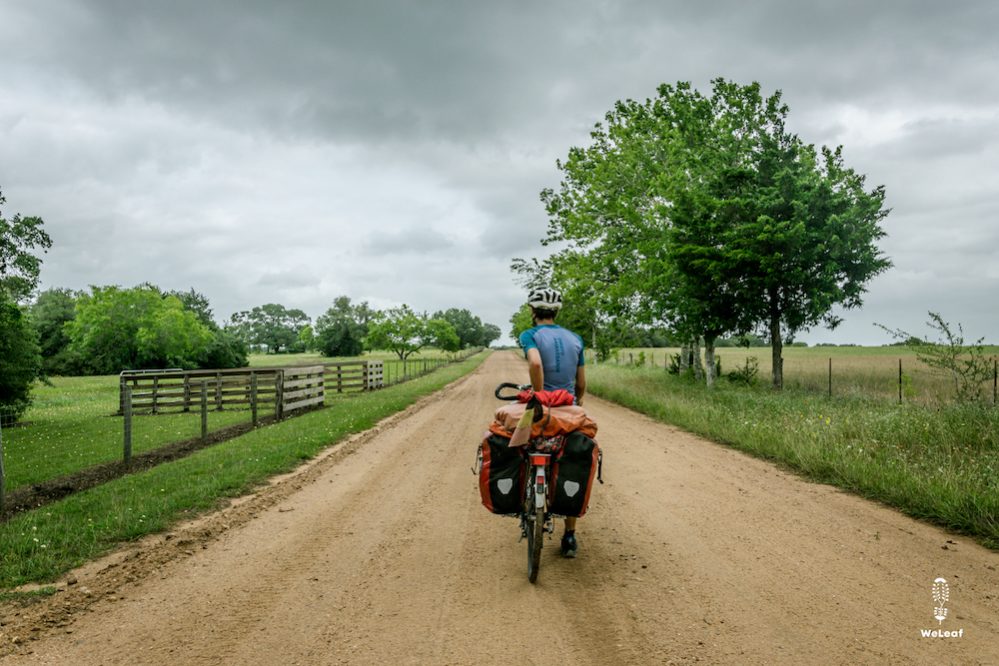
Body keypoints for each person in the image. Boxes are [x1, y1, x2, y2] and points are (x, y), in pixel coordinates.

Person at [517, 287, 586, 558]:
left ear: (532, 311)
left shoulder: (530, 335)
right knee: (572, 461)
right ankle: (569, 536)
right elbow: (581, 383)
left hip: (541, 408)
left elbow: (535, 364)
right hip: (567, 408)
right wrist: (575, 402)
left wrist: (539, 394)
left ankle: (525, 502)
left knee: (521, 447)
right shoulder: (575, 338)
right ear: (556, 311)